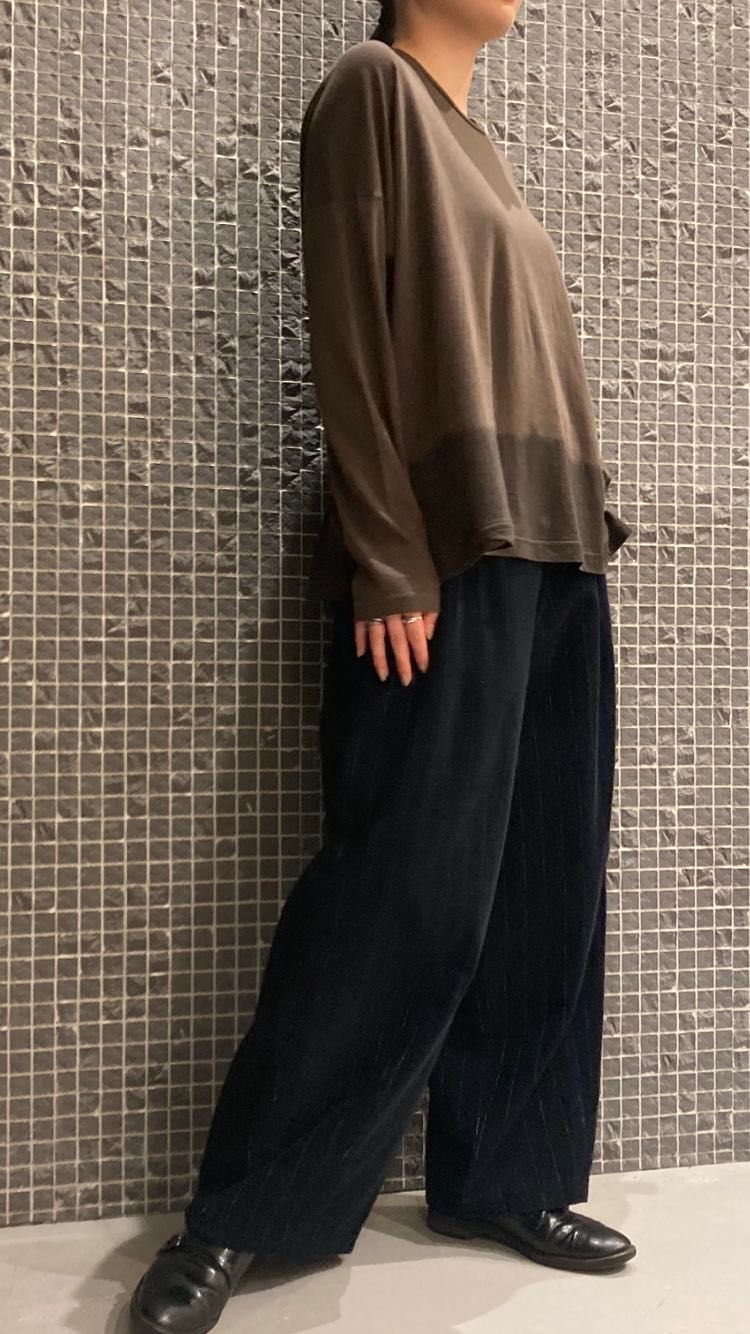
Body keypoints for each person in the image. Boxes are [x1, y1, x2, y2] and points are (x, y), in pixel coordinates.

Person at [130, 3, 637, 1331]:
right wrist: (388, 558)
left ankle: (504, 1177)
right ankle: (243, 1213)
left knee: (543, 886)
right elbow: (350, 336)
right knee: (403, 886)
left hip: (556, 554)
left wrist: (589, 517)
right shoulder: (373, 91)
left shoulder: (481, 145)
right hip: (448, 548)